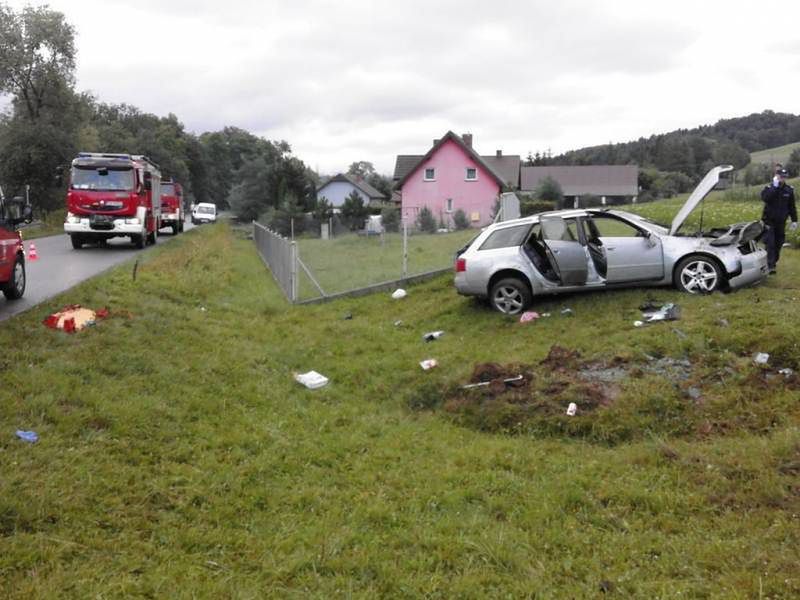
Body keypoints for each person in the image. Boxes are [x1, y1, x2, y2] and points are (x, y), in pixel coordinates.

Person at [760, 167, 798, 274]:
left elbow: (791, 206)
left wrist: (794, 220)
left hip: (781, 222)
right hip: (769, 221)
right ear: (776, 176)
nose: (782, 179)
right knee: (770, 244)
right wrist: (774, 187)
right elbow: (765, 198)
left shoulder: (789, 190)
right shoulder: (769, 188)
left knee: (778, 244)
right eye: (781, 177)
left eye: (784, 177)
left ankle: (772, 262)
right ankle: (770, 266)